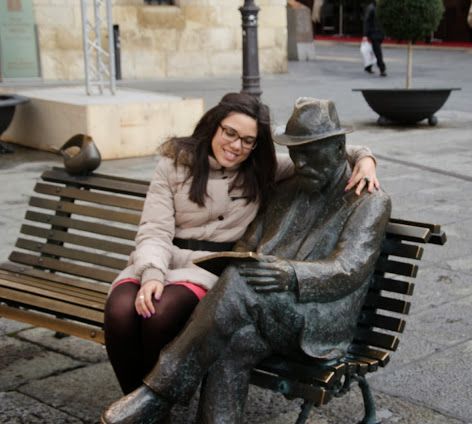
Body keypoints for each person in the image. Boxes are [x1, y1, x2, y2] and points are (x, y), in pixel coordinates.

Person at [100, 97, 392, 424]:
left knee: (239, 279)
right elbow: (247, 244)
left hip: (315, 319)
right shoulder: (287, 185)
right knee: (231, 343)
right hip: (265, 309)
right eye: (296, 156)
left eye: (311, 156)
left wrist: (290, 275)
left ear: (338, 151)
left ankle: (159, 393)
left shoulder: (368, 201)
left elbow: (349, 269)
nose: (302, 165)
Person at [363, 0, 387, 77]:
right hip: (374, 34)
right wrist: (365, 35)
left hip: (379, 34)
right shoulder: (371, 8)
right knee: (378, 52)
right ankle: (382, 69)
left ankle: (368, 67)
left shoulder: (382, 8)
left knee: (375, 51)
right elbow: (367, 21)